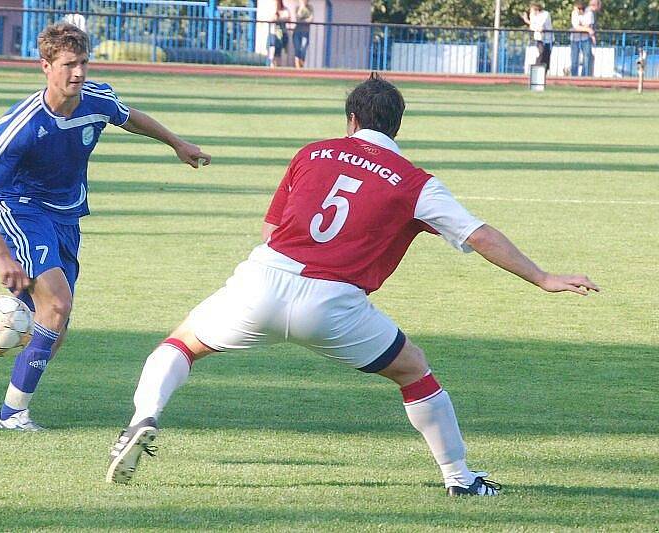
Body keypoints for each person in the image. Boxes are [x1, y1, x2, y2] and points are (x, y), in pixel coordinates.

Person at [105, 73, 598, 495]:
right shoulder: (414, 181)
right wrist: (544, 278)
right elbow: (480, 235)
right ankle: (460, 477)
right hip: (333, 303)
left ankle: (142, 418)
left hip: (262, 282)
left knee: (181, 345)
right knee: (414, 372)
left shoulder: (313, 153)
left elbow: (271, 231)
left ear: (351, 120)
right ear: (397, 126)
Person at [0, 22, 211, 431]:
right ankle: (11, 414)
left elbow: (128, 116)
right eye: (68, 64)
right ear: (45, 66)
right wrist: (0, 256)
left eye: (83, 62)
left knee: (47, 328)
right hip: (21, 210)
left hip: (66, 218)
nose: (78, 73)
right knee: (57, 306)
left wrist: (177, 143)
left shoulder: (95, 98)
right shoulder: (22, 125)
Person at [521, 3, 553, 69]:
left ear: (537, 10)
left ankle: (544, 71)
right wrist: (532, 24)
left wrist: (527, 21)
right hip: (539, 38)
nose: (531, 12)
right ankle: (537, 68)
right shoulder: (533, 15)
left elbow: (540, 27)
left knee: (546, 56)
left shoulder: (545, 14)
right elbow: (532, 27)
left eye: (532, 10)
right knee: (541, 53)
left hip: (548, 38)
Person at [267, 0, 290, 68]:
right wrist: (275, 18)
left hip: (281, 32)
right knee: (272, 48)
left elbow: (288, 19)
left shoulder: (285, 10)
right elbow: (270, 19)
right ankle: (272, 65)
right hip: (273, 32)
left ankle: (278, 66)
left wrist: (279, 19)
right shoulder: (272, 9)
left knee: (279, 49)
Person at [293, 0, 314, 69]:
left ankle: (301, 66)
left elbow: (311, 19)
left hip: (305, 32)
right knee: (297, 49)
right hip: (297, 32)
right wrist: (302, 7)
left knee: (303, 49)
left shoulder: (310, 8)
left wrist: (303, 20)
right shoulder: (297, 8)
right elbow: (297, 18)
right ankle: (297, 67)